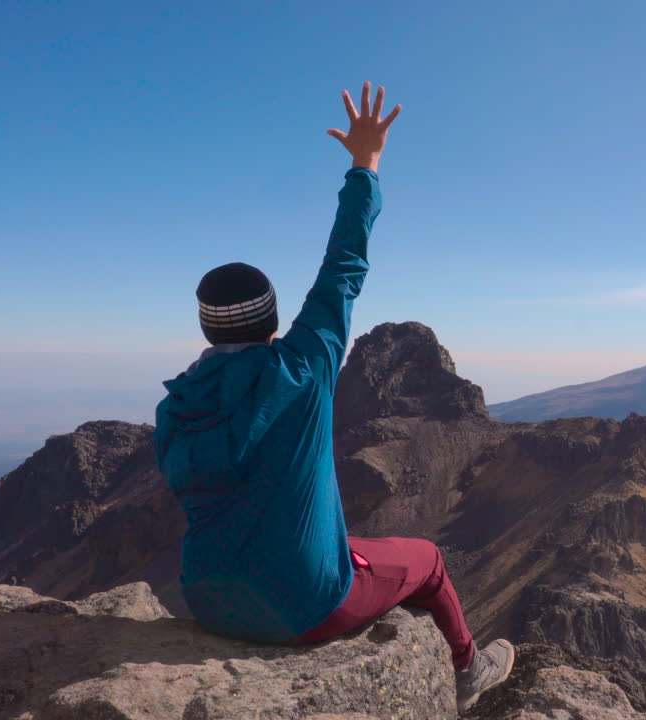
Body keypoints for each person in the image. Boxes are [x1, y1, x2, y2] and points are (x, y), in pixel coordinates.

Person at [153, 82, 513, 713]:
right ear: (271, 320)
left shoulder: (177, 404)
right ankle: (468, 670)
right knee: (427, 560)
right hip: (301, 607)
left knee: (332, 542)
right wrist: (364, 163)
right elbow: (343, 265)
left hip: (204, 598)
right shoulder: (303, 365)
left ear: (208, 328)